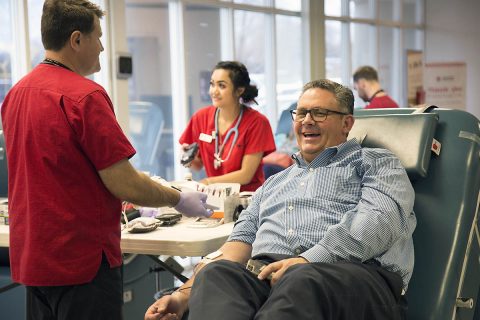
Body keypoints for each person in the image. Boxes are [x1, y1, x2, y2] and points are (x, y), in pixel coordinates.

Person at [1, 1, 211, 319]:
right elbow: (125, 184)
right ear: (76, 40)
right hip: (80, 264)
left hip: (34, 260)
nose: (101, 46)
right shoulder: (85, 97)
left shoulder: (15, 95)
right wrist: (178, 198)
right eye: (98, 37)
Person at [145, 79, 416, 320]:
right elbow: (236, 245)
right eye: (301, 113)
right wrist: (183, 295)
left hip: (351, 277)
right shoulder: (274, 183)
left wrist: (308, 260)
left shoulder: (376, 163)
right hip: (271, 278)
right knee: (217, 275)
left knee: (301, 279)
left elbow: (378, 222)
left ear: (347, 123)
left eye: (319, 113)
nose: (306, 120)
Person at [179, 61, 276, 192]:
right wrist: (189, 158)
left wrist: (208, 182)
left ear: (239, 90)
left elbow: (246, 175)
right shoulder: (200, 118)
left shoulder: (257, 122)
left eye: (221, 86)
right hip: (214, 195)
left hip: (247, 198)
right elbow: (197, 165)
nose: (214, 91)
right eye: (212, 84)